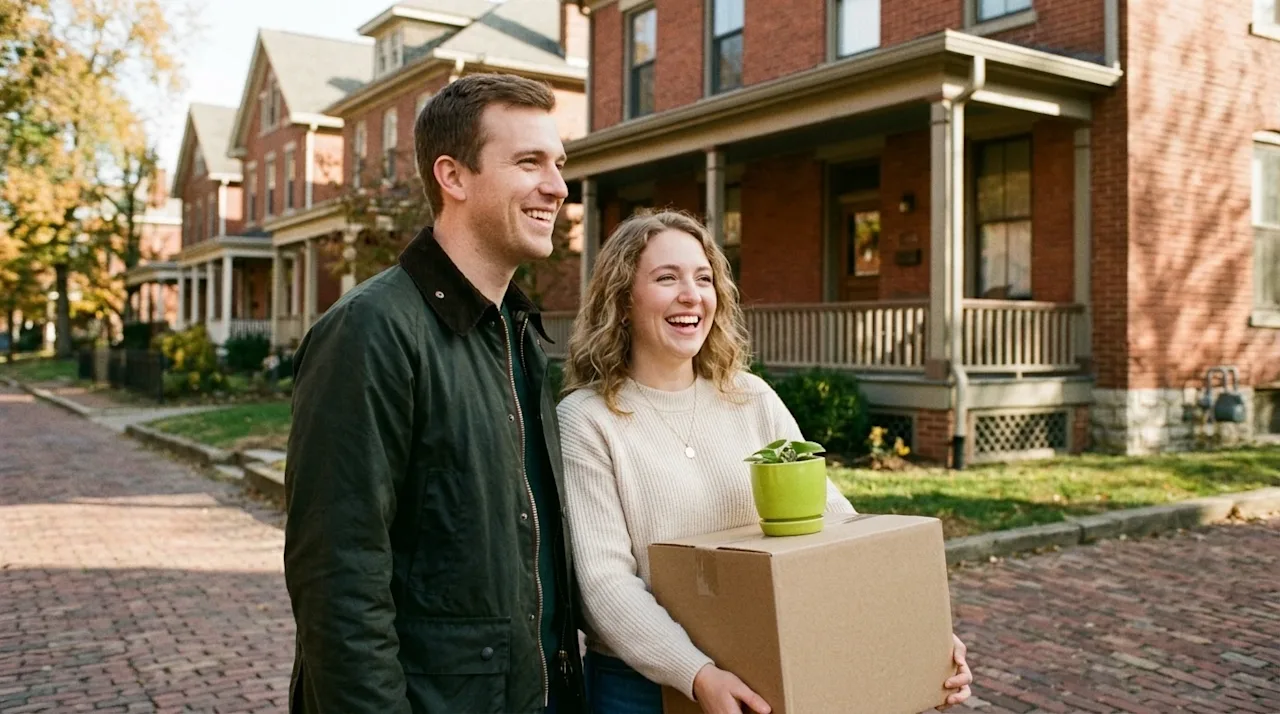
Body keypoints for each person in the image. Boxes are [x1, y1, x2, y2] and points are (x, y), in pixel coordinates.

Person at [556, 210, 973, 714]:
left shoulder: (750, 398)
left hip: (771, 669)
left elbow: (832, 525)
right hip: (640, 688)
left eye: (704, 278)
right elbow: (603, 585)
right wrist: (698, 675)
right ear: (622, 300)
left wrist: (918, 636)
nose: (691, 294)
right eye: (667, 278)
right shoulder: (587, 420)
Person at [282, 73, 586, 714]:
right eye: (529, 162)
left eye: (557, 164)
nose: (558, 187)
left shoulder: (518, 332)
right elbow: (339, 580)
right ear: (453, 176)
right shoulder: (372, 330)